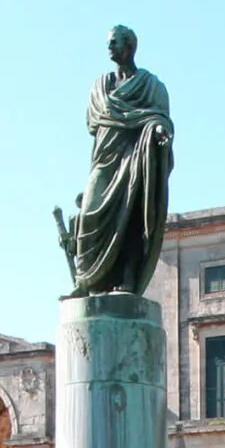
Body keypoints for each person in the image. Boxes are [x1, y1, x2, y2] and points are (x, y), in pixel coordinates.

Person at [54, 25, 173, 298]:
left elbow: (159, 117)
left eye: (115, 43)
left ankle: (128, 279)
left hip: (134, 157)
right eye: (108, 43)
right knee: (88, 214)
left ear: (130, 47)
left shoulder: (150, 86)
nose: (109, 48)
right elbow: (92, 123)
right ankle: (88, 280)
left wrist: (157, 129)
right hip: (105, 159)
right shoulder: (100, 87)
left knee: (131, 216)